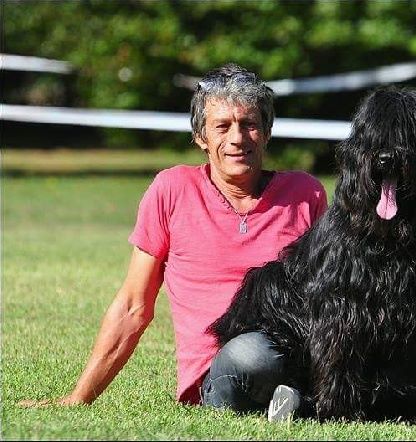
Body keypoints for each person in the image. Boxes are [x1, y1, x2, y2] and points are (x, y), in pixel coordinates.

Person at [20, 64, 328, 414]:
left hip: (298, 353)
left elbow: (328, 294)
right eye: (222, 127)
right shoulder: (172, 190)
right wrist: (79, 398)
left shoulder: (306, 193)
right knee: (253, 354)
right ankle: (297, 404)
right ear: (201, 138)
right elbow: (133, 307)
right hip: (223, 371)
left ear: (267, 132)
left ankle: (294, 403)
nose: (238, 138)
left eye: (250, 125)